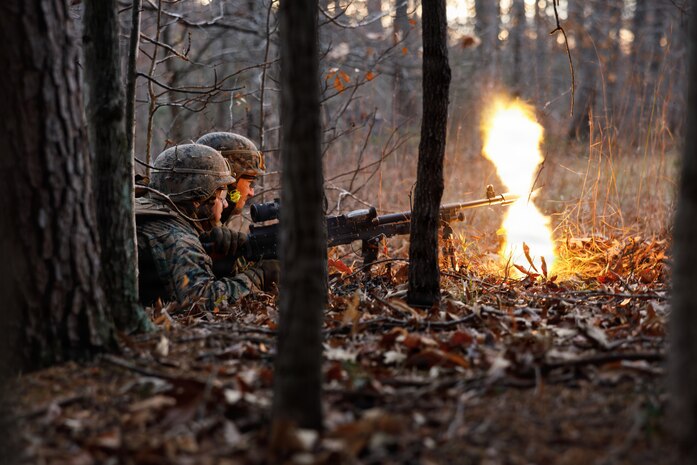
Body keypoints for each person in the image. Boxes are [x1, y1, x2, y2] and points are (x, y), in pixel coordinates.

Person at [135, 143, 279, 311]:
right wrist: (259, 276)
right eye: (221, 195)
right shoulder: (175, 236)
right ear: (199, 197)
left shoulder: (151, 209)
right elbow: (202, 301)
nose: (226, 203)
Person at [195, 132, 266, 275]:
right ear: (230, 181)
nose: (251, 192)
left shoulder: (206, 222)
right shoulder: (184, 226)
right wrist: (260, 276)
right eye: (250, 183)